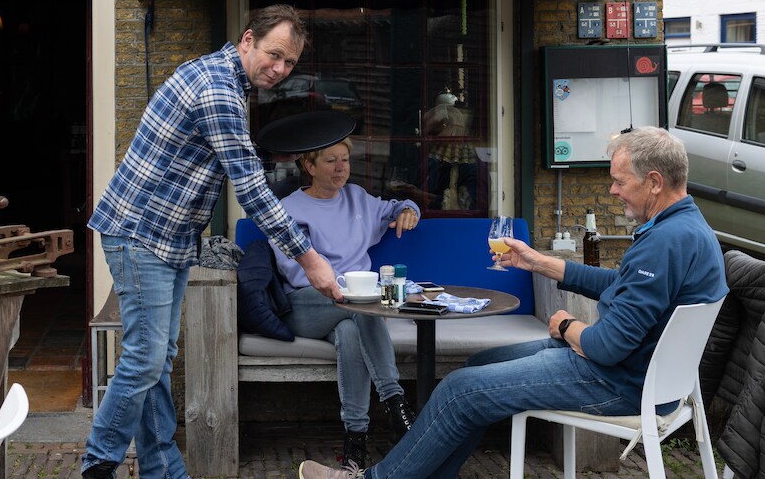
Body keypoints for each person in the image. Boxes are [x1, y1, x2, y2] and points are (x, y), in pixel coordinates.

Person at [297, 126, 729, 479]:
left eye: (619, 180)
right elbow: (622, 285)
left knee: (459, 391)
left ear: (654, 181)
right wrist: (539, 262)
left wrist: (564, 327)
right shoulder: (688, 229)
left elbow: (607, 346)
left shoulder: (664, 243)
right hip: (639, 376)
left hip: (613, 379)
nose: (613, 190)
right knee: (477, 368)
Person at [82, 5, 341, 479]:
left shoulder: (221, 76)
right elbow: (250, 187)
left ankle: (164, 470)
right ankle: (98, 464)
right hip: (142, 233)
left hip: (170, 238)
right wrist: (308, 257)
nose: (280, 70)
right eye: (274, 55)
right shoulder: (218, 90)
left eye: (289, 64)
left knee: (158, 360)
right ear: (247, 39)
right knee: (144, 358)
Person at [271, 138, 421, 468]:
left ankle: (355, 443)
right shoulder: (289, 210)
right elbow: (296, 273)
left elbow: (396, 207)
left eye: (345, 160)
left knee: (351, 330)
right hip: (306, 306)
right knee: (361, 307)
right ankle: (396, 402)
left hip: (352, 311)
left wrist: (410, 210)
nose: (341, 168)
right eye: (330, 161)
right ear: (309, 167)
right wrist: (346, 290)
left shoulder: (357, 198)